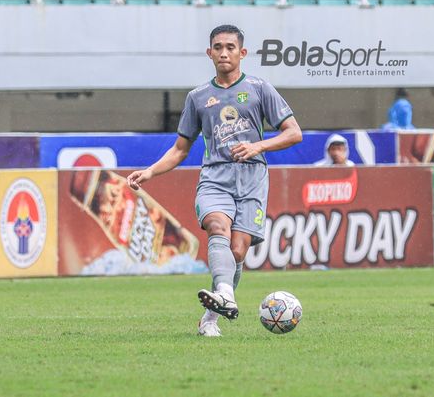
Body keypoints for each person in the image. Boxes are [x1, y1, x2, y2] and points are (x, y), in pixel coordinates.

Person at [127, 24, 302, 337]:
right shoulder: (198, 97)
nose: (224, 52)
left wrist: (258, 145)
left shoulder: (260, 88)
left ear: (242, 52)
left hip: (252, 177)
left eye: (230, 47)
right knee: (217, 227)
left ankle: (210, 319)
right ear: (209, 53)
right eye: (218, 47)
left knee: (237, 251)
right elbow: (181, 148)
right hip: (215, 176)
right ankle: (227, 293)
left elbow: (294, 132)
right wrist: (151, 171)